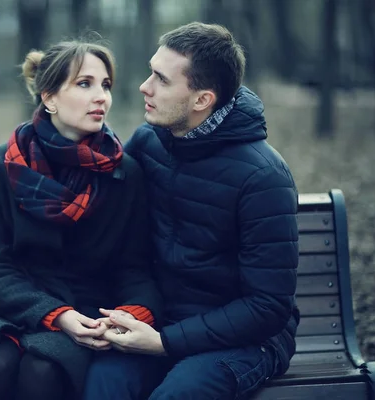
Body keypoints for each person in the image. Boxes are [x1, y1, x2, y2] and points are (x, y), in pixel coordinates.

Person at [83, 22, 300, 400]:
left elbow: (267, 307)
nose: (144, 87)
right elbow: (111, 221)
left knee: (179, 394)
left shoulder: (264, 178)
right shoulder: (149, 141)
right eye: (151, 71)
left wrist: (164, 342)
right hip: (158, 319)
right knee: (105, 384)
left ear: (202, 100)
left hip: (244, 340)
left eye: (161, 80)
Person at [0, 39, 163, 400]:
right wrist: (54, 314)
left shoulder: (124, 173)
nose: (101, 97)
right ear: (49, 98)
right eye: (84, 83)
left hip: (85, 314)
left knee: (41, 368)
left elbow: (134, 266)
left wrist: (126, 316)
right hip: (1, 307)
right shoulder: (1, 166)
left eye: (105, 85)